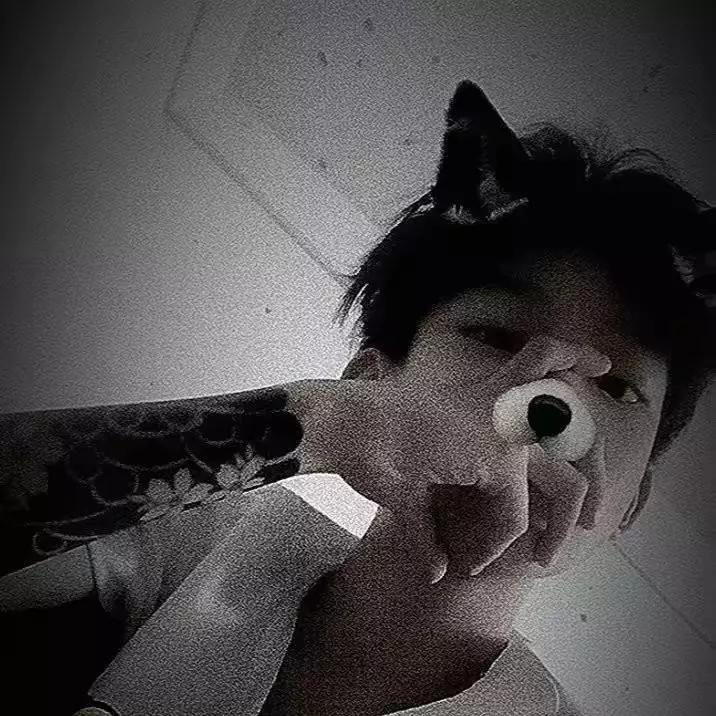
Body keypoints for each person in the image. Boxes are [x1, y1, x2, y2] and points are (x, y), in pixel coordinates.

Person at [0, 80, 714, 716]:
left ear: (632, 505)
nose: (551, 395)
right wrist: (315, 427)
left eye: (617, 385)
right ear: (370, 383)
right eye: (497, 336)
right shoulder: (193, 537)